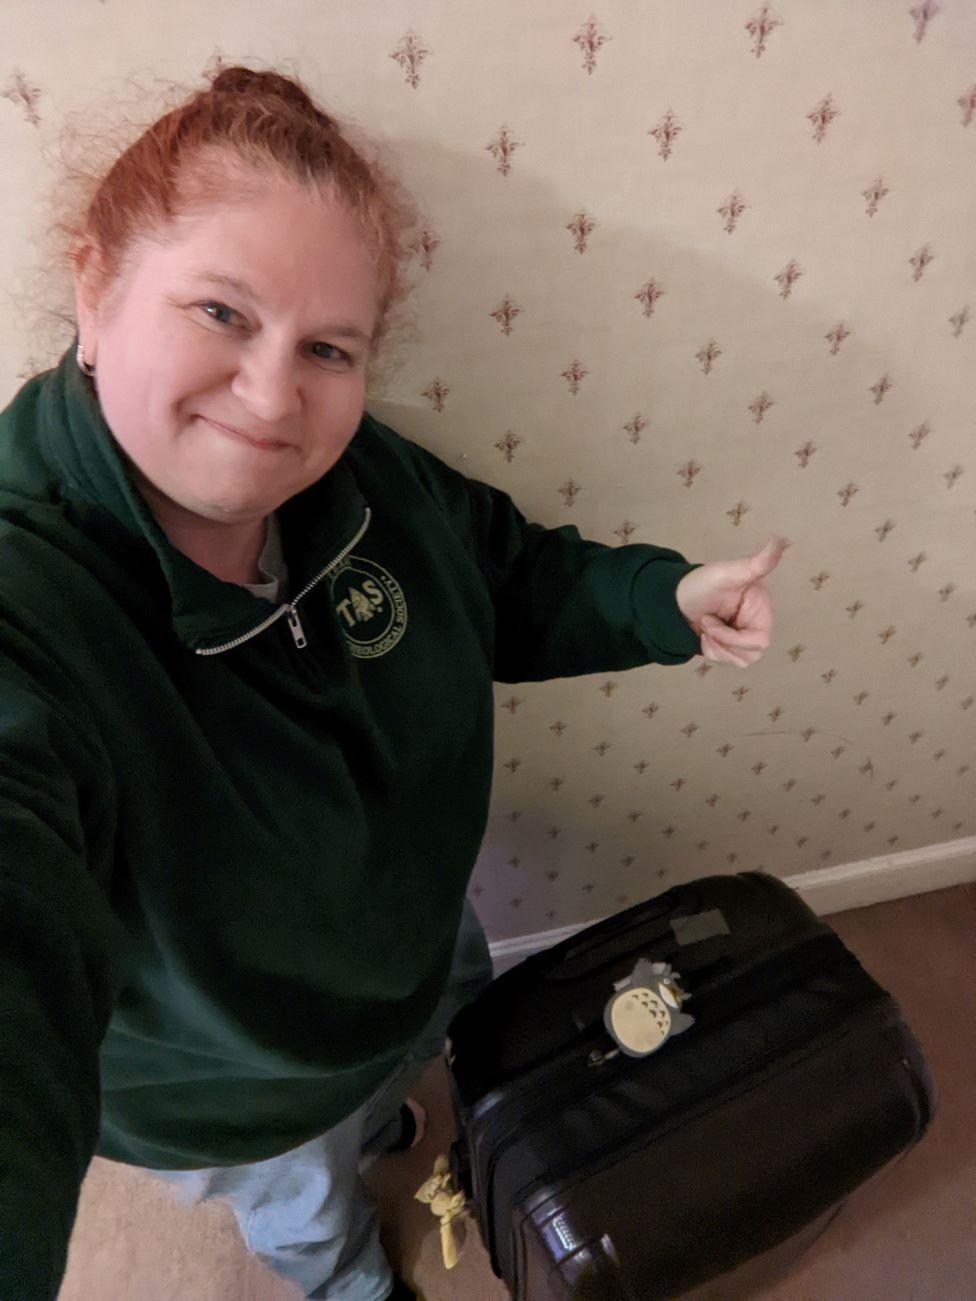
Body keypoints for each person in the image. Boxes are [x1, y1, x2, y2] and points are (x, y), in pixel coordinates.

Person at [0, 66, 786, 1301]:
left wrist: (660, 601)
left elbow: (507, 575)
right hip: (242, 1088)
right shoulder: (28, 596)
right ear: (93, 286)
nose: (273, 396)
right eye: (220, 311)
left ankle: (387, 1120)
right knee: (311, 1213)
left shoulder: (370, 478)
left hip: (421, 952)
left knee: (420, 1074)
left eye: (327, 347)